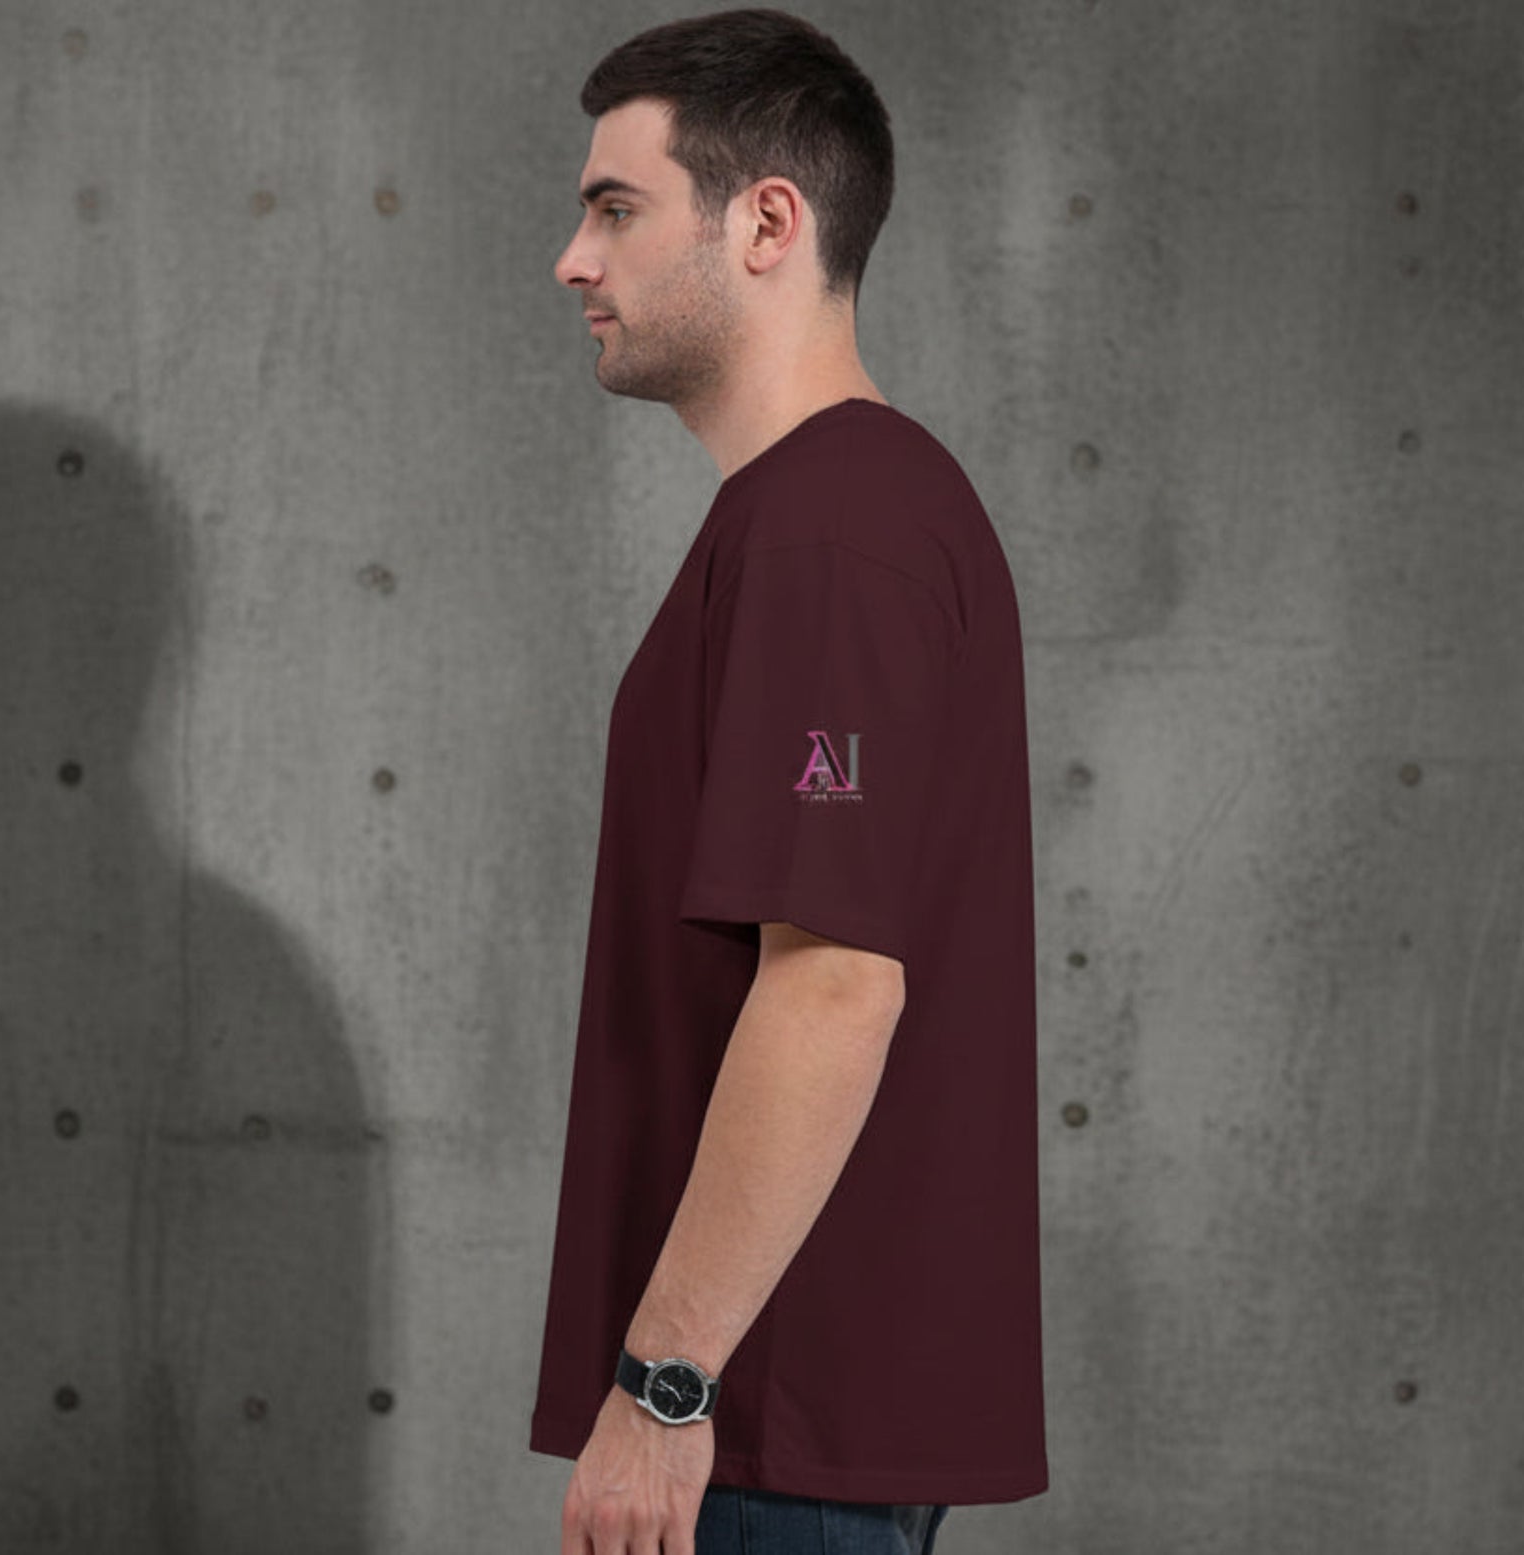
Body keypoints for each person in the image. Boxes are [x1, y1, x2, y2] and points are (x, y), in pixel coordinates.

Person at [530, 10, 1049, 1553]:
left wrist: (665, 1388)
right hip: (781, 1426)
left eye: (615, 207)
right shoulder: (832, 513)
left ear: (767, 221)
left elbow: (833, 985)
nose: (572, 258)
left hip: (767, 1427)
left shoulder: (835, 529)